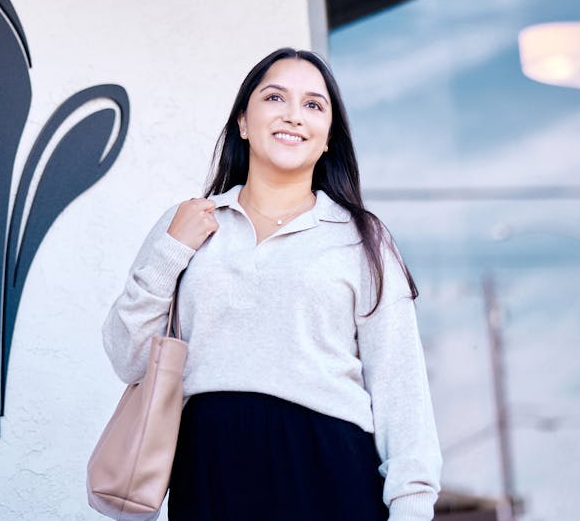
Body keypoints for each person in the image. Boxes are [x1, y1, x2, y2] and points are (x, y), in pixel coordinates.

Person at [102, 47, 442, 521]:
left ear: (328, 138)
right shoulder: (187, 225)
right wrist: (172, 251)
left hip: (331, 473)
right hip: (209, 473)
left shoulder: (362, 238)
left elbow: (399, 385)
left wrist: (413, 506)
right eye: (275, 97)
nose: (293, 116)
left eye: (313, 105)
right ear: (243, 121)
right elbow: (127, 355)